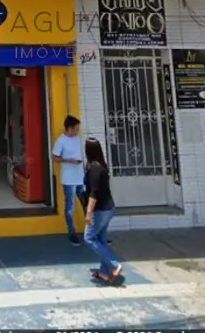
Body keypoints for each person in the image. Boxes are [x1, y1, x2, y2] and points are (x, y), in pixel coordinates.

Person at [83, 137, 122, 283]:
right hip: (109, 208)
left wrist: (88, 213)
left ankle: (114, 264)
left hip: (99, 210)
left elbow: (94, 193)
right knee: (101, 239)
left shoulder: (94, 168)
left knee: (89, 238)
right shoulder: (102, 166)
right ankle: (104, 273)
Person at [52, 115, 85, 245]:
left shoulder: (77, 138)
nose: (77, 131)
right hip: (68, 179)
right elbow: (55, 158)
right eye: (76, 128)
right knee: (70, 207)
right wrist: (69, 161)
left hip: (80, 178)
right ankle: (72, 232)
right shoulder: (61, 141)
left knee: (87, 204)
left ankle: (93, 231)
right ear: (69, 128)